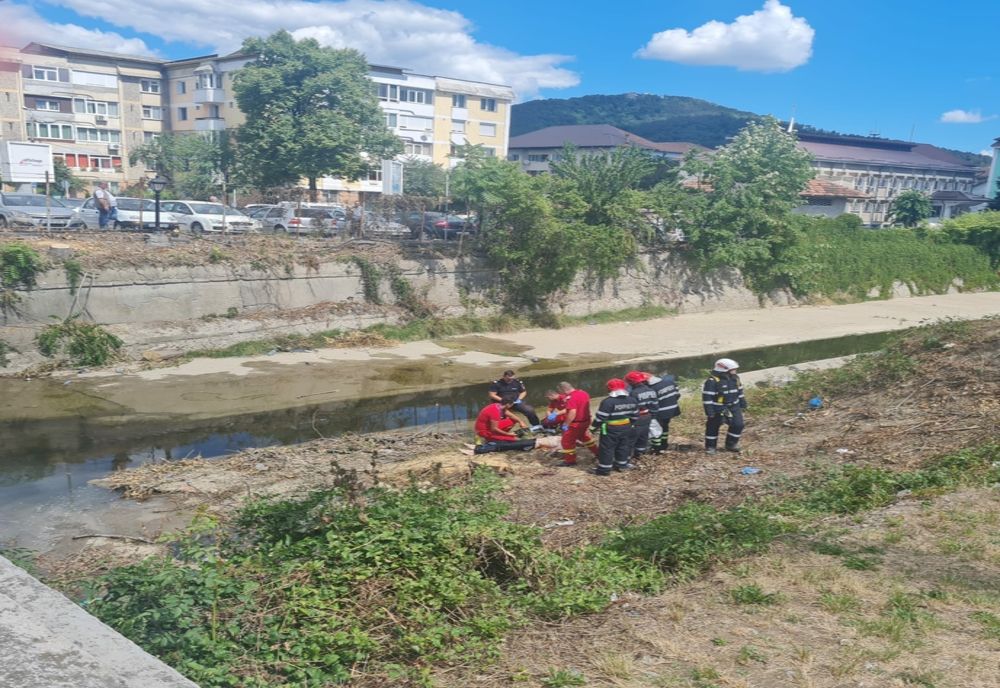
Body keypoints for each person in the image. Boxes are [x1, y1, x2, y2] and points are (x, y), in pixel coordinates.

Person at [590, 378, 639, 476]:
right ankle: (621, 465)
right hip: (626, 427)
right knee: (623, 446)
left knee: (607, 448)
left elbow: (600, 418)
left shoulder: (608, 402)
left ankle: (604, 469)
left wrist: (593, 428)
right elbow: (635, 416)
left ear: (610, 389)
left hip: (611, 429)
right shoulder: (632, 400)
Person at [703, 358, 747, 454]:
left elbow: (740, 391)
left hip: (734, 406)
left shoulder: (735, 378)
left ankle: (731, 444)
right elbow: (707, 398)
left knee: (738, 425)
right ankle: (711, 447)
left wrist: (743, 402)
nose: (735, 371)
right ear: (725, 369)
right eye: (733, 369)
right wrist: (710, 412)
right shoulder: (712, 381)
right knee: (713, 427)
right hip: (718, 408)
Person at [472, 396, 537, 454]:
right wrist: (508, 434)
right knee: (512, 439)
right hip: (484, 431)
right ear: (508, 404)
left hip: (489, 427)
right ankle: (491, 438)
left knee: (513, 420)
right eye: (512, 404)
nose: (512, 406)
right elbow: (494, 429)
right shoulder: (495, 411)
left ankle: (498, 436)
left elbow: (511, 415)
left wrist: (521, 421)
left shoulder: (499, 406)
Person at [555, 380, 597, 466]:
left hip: (575, 423)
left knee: (567, 442)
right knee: (585, 437)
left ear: (563, 389)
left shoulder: (571, 398)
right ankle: (598, 452)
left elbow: (572, 412)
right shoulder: (583, 393)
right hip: (586, 421)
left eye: (561, 391)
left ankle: (570, 461)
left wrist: (566, 424)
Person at [624, 371, 657, 460]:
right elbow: (655, 406)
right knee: (643, 438)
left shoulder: (634, 393)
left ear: (631, 382)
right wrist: (652, 416)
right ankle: (639, 455)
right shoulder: (651, 391)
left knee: (630, 439)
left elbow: (631, 408)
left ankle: (625, 459)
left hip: (637, 419)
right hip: (647, 417)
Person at [647, 370, 682, 453]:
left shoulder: (652, 388)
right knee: (665, 427)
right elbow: (677, 395)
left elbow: (651, 403)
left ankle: (657, 448)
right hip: (672, 409)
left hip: (661, 412)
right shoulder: (669, 382)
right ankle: (664, 444)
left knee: (657, 429)